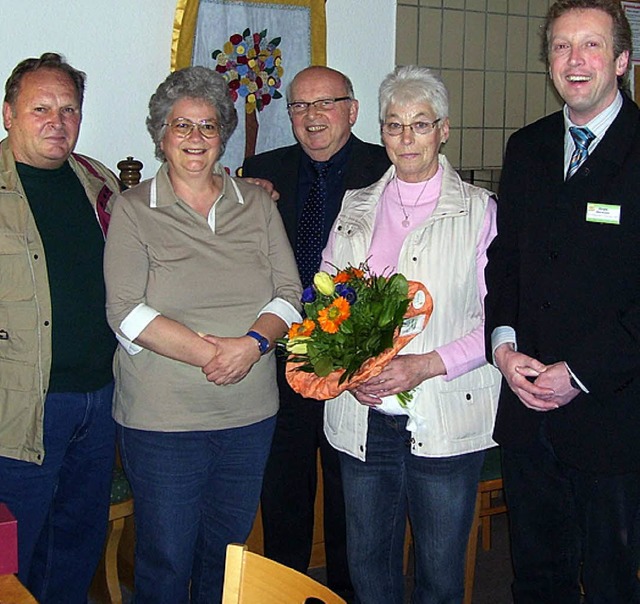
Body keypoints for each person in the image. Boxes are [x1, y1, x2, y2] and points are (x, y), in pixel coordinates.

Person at [103, 65, 302, 604]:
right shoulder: (131, 209)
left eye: (208, 126)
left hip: (249, 417)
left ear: (224, 135)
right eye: (181, 126)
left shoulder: (257, 204)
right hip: (163, 421)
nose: (195, 138)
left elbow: (290, 292)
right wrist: (214, 355)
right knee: (165, 559)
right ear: (161, 136)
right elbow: (124, 310)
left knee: (228, 555)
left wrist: (253, 345)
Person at [321, 65, 501, 604]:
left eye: (420, 125)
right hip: (363, 418)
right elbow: (325, 302)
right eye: (394, 125)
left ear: (443, 130)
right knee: (368, 567)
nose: (406, 139)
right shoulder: (356, 205)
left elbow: (498, 320)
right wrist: (346, 370)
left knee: (440, 573)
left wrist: (425, 364)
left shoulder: (478, 212)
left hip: (443, 416)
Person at [484, 0, 640, 601]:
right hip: (527, 408)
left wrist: (577, 374)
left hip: (612, 415)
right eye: (560, 46)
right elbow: (506, 262)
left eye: (591, 45)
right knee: (538, 577)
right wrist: (502, 346)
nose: (574, 61)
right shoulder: (526, 148)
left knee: (609, 582)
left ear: (621, 60)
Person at [242, 65, 389, 596]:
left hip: (356, 357)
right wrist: (242, 194)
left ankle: (346, 593)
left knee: (353, 493)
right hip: (284, 356)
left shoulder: (387, 165)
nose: (313, 117)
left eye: (325, 103)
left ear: (352, 109)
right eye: (300, 107)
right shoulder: (262, 170)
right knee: (284, 489)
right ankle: (288, 590)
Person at [0, 53, 120, 603]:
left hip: (100, 402)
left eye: (68, 108)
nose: (57, 120)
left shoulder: (100, 183)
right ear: (8, 114)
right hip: (21, 409)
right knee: (10, 562)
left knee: (75, 547)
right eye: (40, 108)